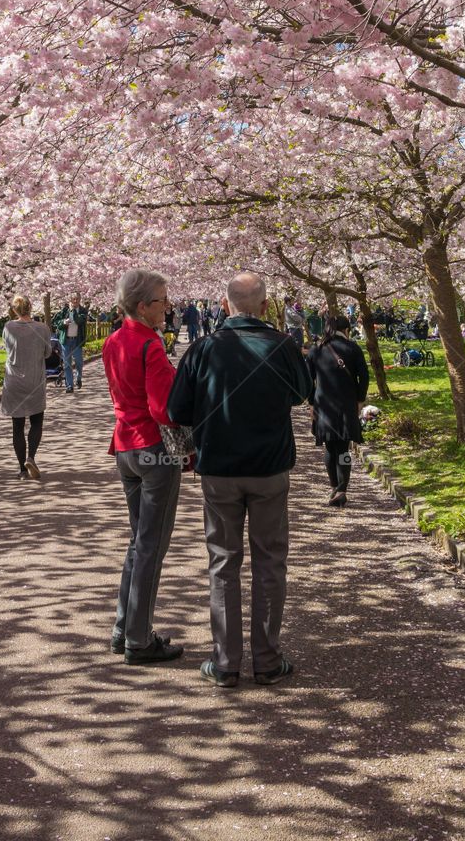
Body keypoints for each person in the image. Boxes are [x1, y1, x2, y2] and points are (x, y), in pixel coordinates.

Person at [168, 271, 312, 688]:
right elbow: (303, 393)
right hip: (269, 468)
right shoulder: (283, 346)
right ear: (265, 307)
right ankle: (267, 659)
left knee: (223, 564)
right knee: (270, 563)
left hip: (219, 470)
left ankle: (226, 661)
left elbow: (178, 410)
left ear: (224, 304)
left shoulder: (203, 348)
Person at [102, 268, 183, 667]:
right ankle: (138, 637)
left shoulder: (112, 341)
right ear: (141, 306)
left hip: (125, 448)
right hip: (154, 450)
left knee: (137, 542)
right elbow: (161, 408)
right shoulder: (150, 344)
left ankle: (123, 627)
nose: (167, 307)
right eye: (161, 301)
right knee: (152, 545)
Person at [306, 315, 369, 507]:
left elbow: (308, 379)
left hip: (323, 404)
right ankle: (342, 489)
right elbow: (364, 376)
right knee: (343, 448)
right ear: (346, 329)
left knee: (330, 447)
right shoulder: (352, 348)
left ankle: (334, 486)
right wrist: (359, 399)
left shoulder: (316, 349)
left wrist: (311, 403)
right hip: (346, 405)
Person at [1, 295, 52, 480]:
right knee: (37, 421)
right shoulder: (42, 328)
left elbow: (7, 348)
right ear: (31, 308)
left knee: (18, 425)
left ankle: (22, 470)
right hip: (35, 380)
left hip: (14, 381)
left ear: (15, 310)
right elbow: (47, 353)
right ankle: (31, 456)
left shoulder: (8, 327)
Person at [53, 295, 88, 393]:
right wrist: (64, 322)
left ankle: (78, 378)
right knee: (67, 364)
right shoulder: (64, 311)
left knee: (79, 363)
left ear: (80, 300)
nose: (75, 300)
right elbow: (55, 322)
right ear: (70, 300)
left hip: (77, 341)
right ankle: (69, 386)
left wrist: (73, 311)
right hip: (66, 341)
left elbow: (79, 321)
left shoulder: (83, 311)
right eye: (73, 299)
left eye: (77, 299)